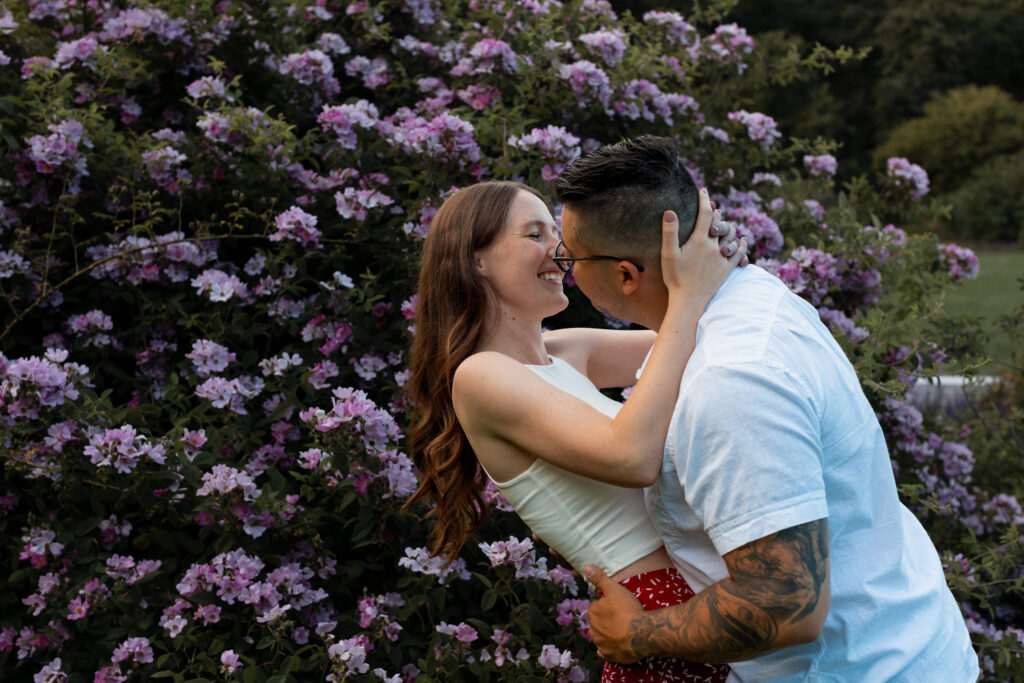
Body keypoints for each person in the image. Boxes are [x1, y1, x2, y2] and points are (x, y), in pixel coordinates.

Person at [554, 136, 980, 681]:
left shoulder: (732, 378)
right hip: (910, 645)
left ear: (625, 275)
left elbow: (786, 601)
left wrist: (636, 634)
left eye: (570, 256)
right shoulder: (746, 299)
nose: (562, 265)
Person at [405, 178, 746, 682]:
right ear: (475, 259)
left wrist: (702, 257)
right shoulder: (480, 377)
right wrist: (688, 293)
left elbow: (697, 341)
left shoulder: (564, 352)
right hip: (653, 605)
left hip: (696, 600)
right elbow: (631, 456)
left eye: (555, 234)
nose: (560, 250)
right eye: (534, 234)